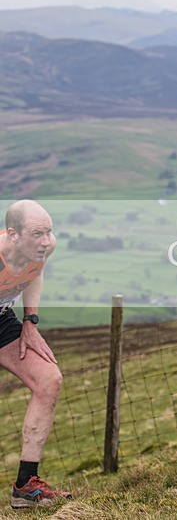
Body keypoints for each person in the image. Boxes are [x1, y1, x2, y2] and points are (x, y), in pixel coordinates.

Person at [0, 200, 72, 508]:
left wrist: (30, 322)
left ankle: (26, 485)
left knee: (49, 380)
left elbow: (34, 273)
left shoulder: (45, 248)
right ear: (13, 235)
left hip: (2, 318)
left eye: (49, 232)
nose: (46, 241)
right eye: (37, 234)